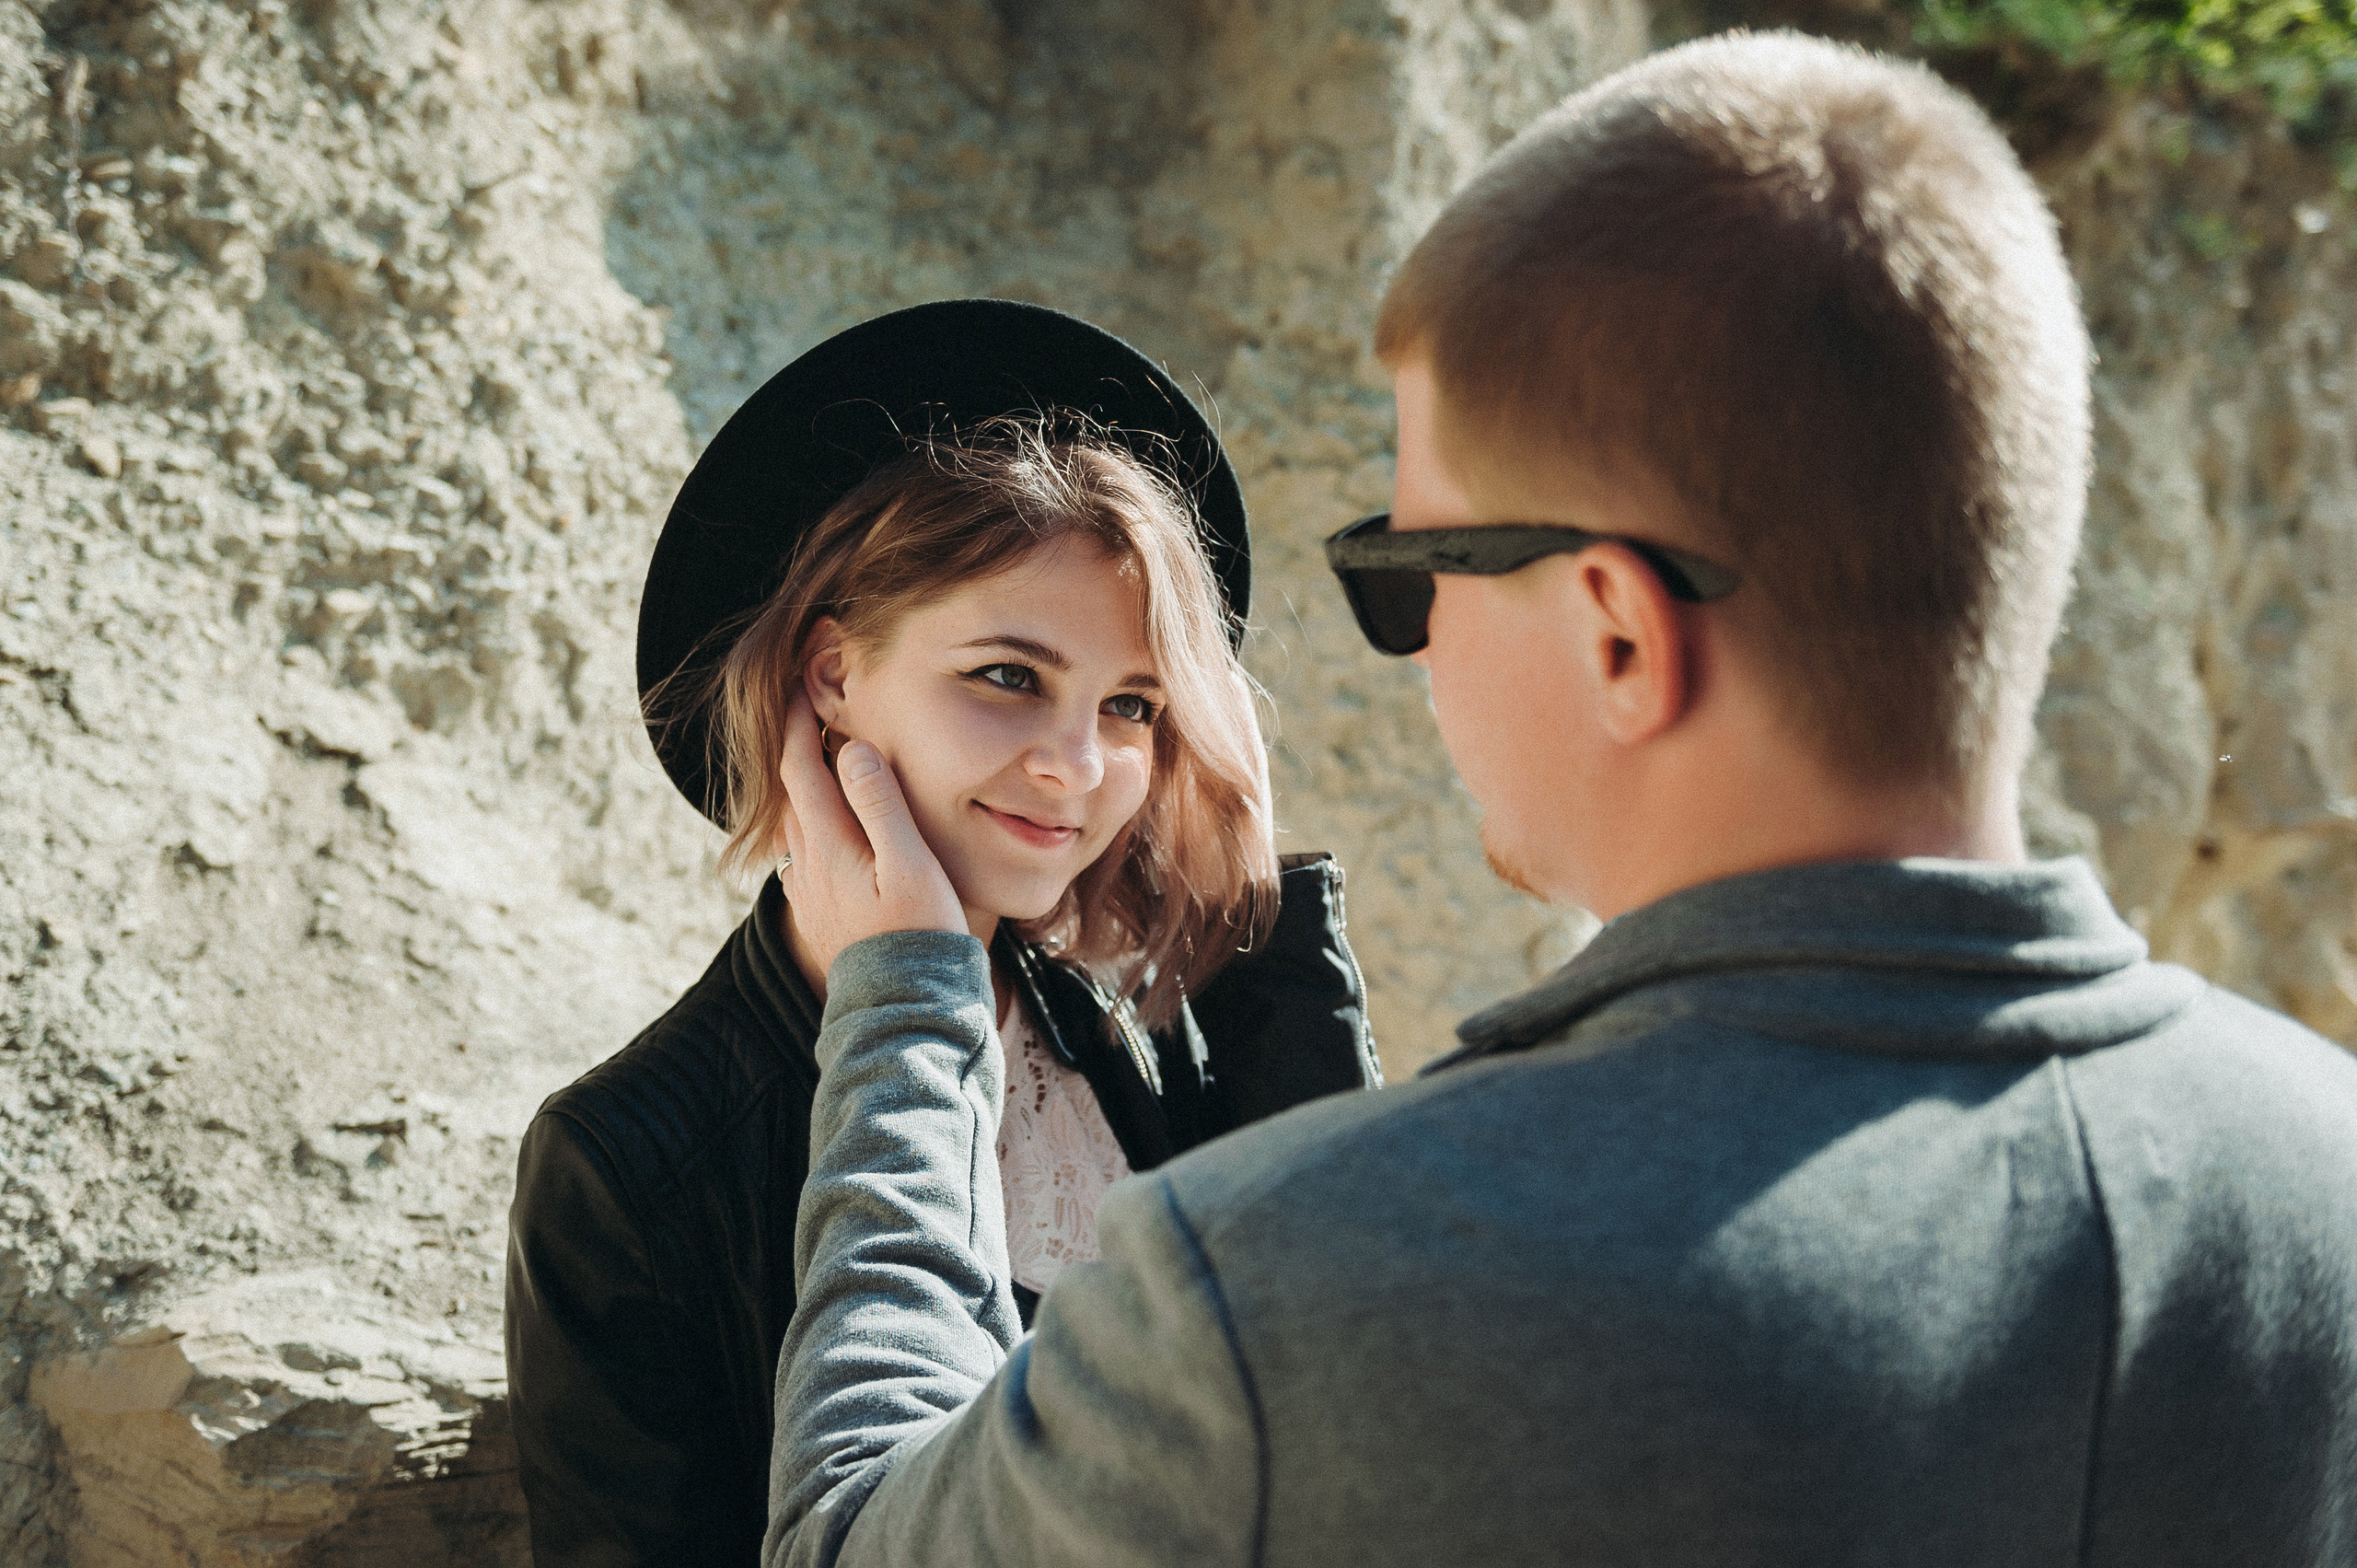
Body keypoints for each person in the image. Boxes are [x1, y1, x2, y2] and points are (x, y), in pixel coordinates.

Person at [760, 32, 2357, 1568]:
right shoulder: (2321, 1169)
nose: (1419, 645)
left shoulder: (1305, 1285)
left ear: (1616, 632)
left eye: (1411, 572)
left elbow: (848, 1540)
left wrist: (905, 1006)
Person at [503, 300, 1381, 1567]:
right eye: (1008, 676)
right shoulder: (625, 1166)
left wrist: (1257, 912)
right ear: (833, 675)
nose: (1078, 768)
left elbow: (1368, 1358)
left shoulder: (1137, 1031)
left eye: (1132, 704)